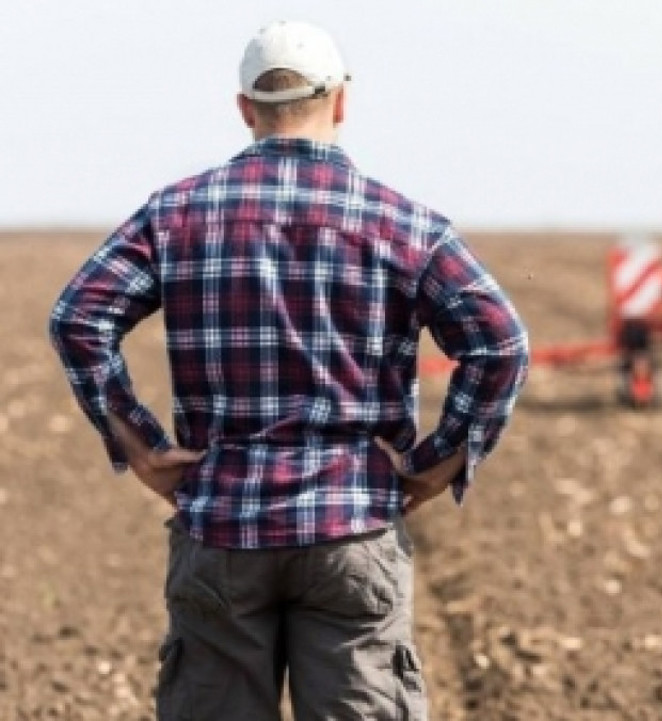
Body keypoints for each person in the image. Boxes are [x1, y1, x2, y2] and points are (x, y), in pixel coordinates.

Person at [47, 20, 529, 720]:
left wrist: (142, 446)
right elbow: (501, 341)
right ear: (342, 102)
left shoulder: (176, 214)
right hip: (353, 527)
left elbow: (78, 316)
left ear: (245, 109)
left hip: (222, 529)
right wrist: (440, 460)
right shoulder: (406, 225)